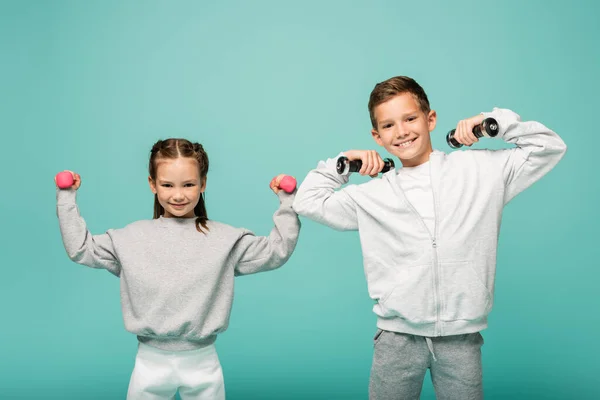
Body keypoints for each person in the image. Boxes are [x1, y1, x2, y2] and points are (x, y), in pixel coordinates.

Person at [292, 76, 566, 399]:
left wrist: (492, 123)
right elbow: (306, 201)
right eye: (389, 125)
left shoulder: (481, 171)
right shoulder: (372, 196)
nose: (402, 131)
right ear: (376, 137)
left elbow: (550, 147)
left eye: (410, 119)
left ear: (430, 119)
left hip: (460, 339)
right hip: (396, 338)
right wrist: (343, 166)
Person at [55, 138, 300, 399]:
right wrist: (66, 197)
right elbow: (81, 248)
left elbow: (277, 251)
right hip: (150, 363)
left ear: (203, 184)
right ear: (152, 184)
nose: (179, 194)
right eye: (167, 185)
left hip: (203, 362)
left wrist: (287, 201)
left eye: (189, 184)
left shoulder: (225, 239)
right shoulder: (130, 238)